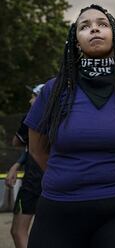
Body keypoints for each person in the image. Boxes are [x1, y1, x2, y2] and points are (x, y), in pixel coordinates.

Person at [24, 5, 115, 248]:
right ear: (76, 41)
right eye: (84, 26)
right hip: (59, 209)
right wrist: (69, 177)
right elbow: (37, 149)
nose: (94, 29)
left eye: (102, 24)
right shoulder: (54, 90)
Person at [5, 84, 44, 248]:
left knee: (18, 230)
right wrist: (17, 164)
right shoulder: (64, 115)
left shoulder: (33, 115)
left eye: (34, 96)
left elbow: (17, 142)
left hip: (34, 178)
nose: (30, 99)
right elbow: (34, 149)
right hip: (55, 177)